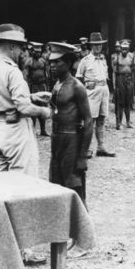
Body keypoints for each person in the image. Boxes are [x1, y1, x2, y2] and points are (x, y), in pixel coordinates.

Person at [0, 23, 51, 265]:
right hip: (16, 131)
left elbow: (2, 100)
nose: (22, 52)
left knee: (1, 188)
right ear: (11, 46)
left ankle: (1, 245)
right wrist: (42, 112)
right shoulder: (13, 71)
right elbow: (22, 108)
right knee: (24, 188)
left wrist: (31, 96)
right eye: (20, 47)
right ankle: (24, 250)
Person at [49, 42, 93, 209]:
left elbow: (88, 120)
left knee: (74, 185)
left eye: (57, 62)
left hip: (72, 140)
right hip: (57, 139)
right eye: (51, 62)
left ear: (67, 63)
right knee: (56, 183)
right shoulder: (57, 84)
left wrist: (82, 155)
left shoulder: (77, 87)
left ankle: (82, 229)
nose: (52, 66)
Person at [76, 32, 115, 158]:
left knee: (102, 119)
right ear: (91, 46)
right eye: (95, 45)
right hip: (92, 92)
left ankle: (101, 147)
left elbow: (106, 76)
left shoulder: (103, 59)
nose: (98, 47)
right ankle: (84, 149)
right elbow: (78, 79)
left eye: (100, 45)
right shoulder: (85, 61)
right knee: (89, 121)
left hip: (104, 90)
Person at [23, 41, 49, 136]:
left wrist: (47, 89)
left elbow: (47, 75)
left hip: (42, 86)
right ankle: (32, 130)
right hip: (33, 87)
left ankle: (43, 130)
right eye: (35, 52)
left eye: (39, 52)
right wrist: (27, 90)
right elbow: (25, 77)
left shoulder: (43, 61)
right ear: (32, 51)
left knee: (43, 107)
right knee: (33, 108)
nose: (37, 53)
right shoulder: (28, 62)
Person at [112, 40, 134, 129]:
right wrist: (114, 84)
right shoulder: (116, 58)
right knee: (120, 102)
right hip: (120, 80)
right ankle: (119, 123)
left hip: (129, 80)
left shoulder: (131, 57)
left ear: (128, 49)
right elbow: (114, 72)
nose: (124, 51)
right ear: (120, 49)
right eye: (123, 49)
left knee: (128, 102)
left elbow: (134, 70)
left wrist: (134, 82)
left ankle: (128, 122)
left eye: (126, 49)